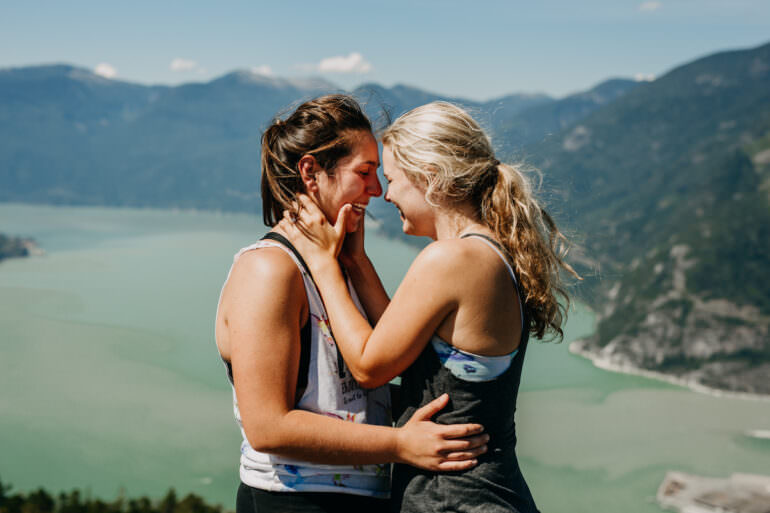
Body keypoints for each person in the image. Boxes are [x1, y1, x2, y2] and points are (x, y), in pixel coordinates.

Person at [279, 101, 578, 513]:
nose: (385, 194)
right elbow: (404, 349)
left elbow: (369, 365)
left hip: (454, 499)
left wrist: (321, 263)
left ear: (431, 179)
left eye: (393, 179)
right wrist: (355, 261)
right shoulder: (487, 253)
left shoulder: (451, 259)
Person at [214, 95, 490, 513]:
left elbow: (376, 374)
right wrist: (400, 444)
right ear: (311, 172)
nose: (377, 189)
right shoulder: (269, 270)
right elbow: (267, 427)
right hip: (292, 501)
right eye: (364, 172)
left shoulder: (337, 265)